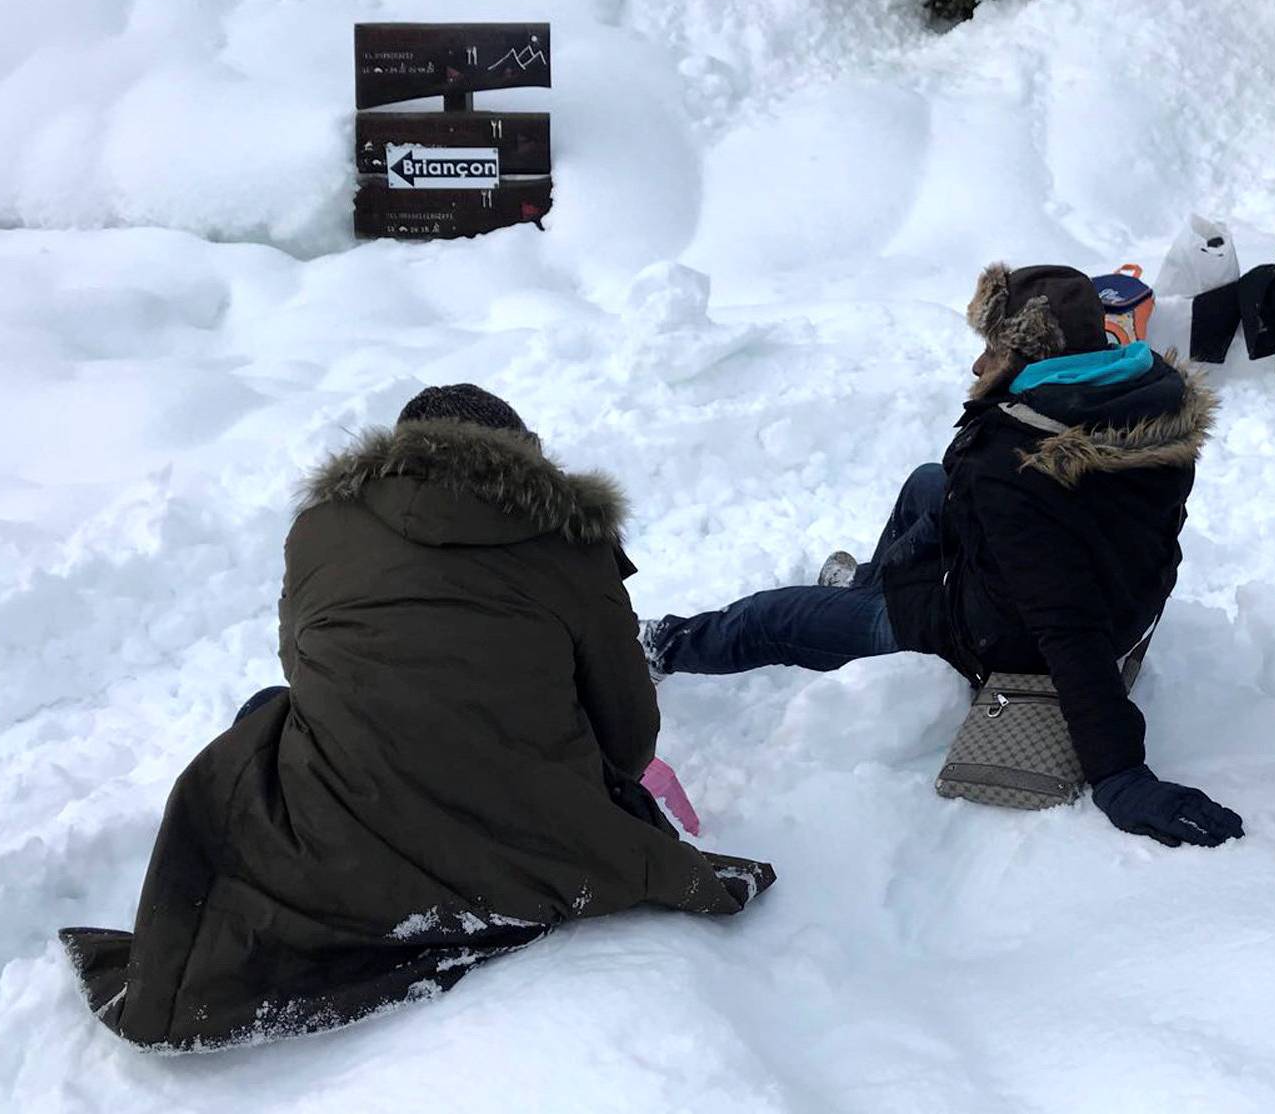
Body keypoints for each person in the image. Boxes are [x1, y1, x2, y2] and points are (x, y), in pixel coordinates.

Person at [60, 385, 773, 1050]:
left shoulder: (320, 527)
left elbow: (304, 671)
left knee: (266, 716)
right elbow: (627, 736)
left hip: (339, 838)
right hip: (539, 840)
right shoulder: (571, 536)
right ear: (526, 453)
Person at [644, 265, 1243, 849]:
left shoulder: (1017, 461)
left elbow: (1067, 626)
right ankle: (867, 590)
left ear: (1032, 358)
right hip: (1110, 586)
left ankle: (662, 644)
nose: (980, 366)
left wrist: (1120, 775)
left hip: (1000, 633)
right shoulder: (1144, 404)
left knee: (767, 620)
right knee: (930, 482)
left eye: (994, 352)